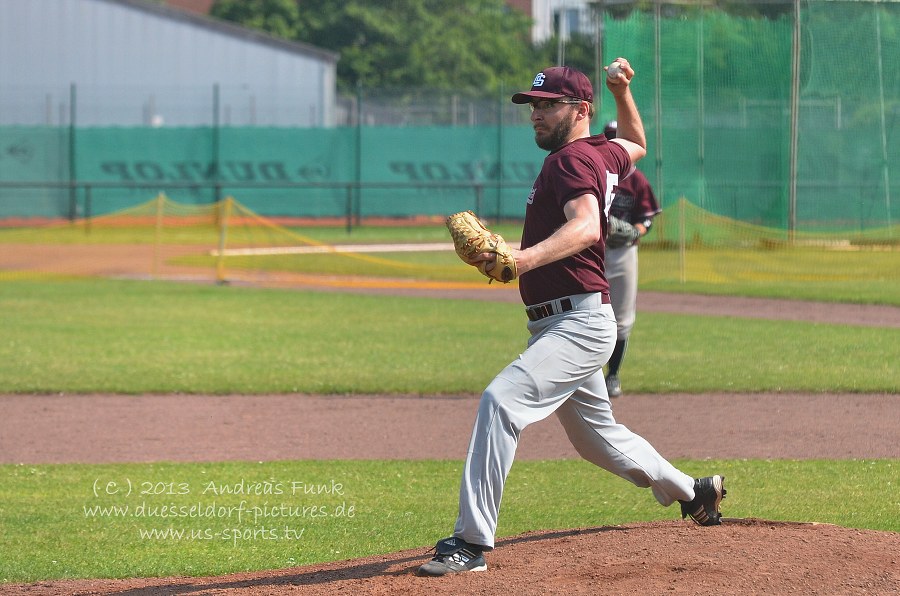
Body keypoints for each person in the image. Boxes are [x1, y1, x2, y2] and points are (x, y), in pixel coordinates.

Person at [417, 62, 726, 577]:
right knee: (598, 441)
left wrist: (521, 259)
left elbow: (584, 228)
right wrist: (623, 91)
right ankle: (693, 492)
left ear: (579, 111)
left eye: (548, 104)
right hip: (568, 321)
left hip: (577, 323)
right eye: (533, 105)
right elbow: (636, 142)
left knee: (500, 402)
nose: (536, 114)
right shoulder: (601, 153)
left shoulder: (568, 162)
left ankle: (470, 544)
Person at [601, 120, 662, 398]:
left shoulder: (637, 179)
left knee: (622, 318)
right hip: (593, 250)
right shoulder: (596, 173)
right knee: (584, 313)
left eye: (620, 139)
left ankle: (612, 376)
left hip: (624, 252)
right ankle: (585, 379)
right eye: (611, 139)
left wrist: (635, 231)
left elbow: (646, 219)